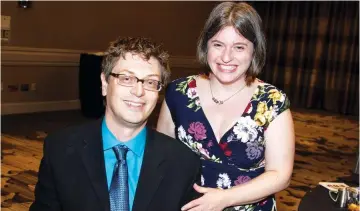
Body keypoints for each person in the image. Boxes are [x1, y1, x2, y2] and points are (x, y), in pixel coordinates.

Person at [30, 37, 201, 211]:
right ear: (104, 83)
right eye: (126, 79)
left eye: (150, 82)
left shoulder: (183, 163)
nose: (138, 91)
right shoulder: (60, 149)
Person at [157, 2, 295, 211]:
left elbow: (280, 176)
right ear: (206, 45)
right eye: (218, 45)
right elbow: (161, 158)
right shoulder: (178, 93)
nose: (226, 57)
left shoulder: (271, 101)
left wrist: (224, 199)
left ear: (254, 50)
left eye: (239, 47)